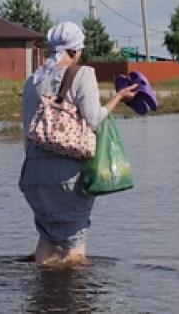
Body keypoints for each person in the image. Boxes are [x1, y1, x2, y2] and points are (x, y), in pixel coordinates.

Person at [19, 21, 138, 266]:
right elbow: (93, 119)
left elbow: (28, 129)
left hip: (33, 175)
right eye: (80, 50)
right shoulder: (83, 74)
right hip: (67, 175)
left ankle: (44, 301)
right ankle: (74, 302)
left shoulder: (32, 81)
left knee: (47, 240)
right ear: (73, 51)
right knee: (75, 247)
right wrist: (118, 97)